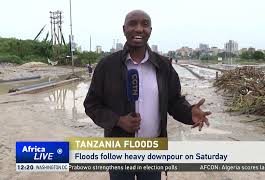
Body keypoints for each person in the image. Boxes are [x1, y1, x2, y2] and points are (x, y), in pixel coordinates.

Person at [84, 10, 211, 180]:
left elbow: (173, 101)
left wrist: (189, 113)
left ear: (150, 30)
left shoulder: (163, 66)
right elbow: (92, 104)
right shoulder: (107, 66)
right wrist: (118, 120)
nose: (138, 29)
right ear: (124, 29)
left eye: (144, 24)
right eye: (132, 24)